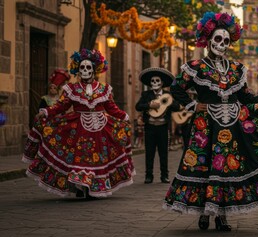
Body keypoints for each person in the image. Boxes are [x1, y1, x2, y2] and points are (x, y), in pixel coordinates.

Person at [163, 12, 258, 231]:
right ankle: (205, 213)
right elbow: (176, 88)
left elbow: (245, 97)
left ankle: (222, 216)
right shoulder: (196, 66)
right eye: (217, 39)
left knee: (226, 170)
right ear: (207, 40)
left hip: (232, 128)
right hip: (205, 127)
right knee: (204, 168)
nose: (222, 44)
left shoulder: (236, 69)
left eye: (226, 41)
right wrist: (193, 105)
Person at [22, 49, 134, 198]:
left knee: (98, 159)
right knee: (80, 158)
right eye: (82, 67)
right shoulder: (72, 89)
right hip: (79, 130)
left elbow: (111, 108)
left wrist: (124, 117)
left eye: (89, 67)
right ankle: (81, 186)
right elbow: (61, 106)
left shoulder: (104, 89)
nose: (85, 70)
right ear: (78, 70)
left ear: (94, 70)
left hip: (101, 132)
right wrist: (46, 112)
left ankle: (93, 187)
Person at [135, 68, 180, 184]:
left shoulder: (168, 94)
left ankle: (164, 176)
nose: (154, 83)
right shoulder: (146, 94)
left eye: (157, 81)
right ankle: (148, 176)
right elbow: (138, 106)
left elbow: (177, 106)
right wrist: (149, 104)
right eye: (152, 81)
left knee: (163, 153)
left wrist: (168, 104)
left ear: (162, 83)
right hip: (149, 127)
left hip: (163, 127)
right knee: (149, 153)